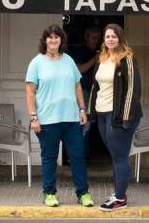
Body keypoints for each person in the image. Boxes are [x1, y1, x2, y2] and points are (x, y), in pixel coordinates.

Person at [25, 24, 94, 208]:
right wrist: (33, 117)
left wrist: (82, 109)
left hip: (71, 119)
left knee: (77, 157)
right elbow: (30, 92)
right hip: (47, 120)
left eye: (57, 37)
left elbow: (77, 85)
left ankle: (83, 193)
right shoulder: (36, 62)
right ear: (45, 40)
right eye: (50, 37)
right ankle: (49, 193)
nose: (53, 40)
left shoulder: (69, 61)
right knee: (49, 158)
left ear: (61, 40)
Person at [89, 23, 142, 211]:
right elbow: (95, 87)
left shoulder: (127, 58)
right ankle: (119, 192)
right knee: (114, 154)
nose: (110, 39)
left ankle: (120, 198)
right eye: (107, 36)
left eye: (114, 36)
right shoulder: (101, 58)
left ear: (120, 38)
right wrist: (91, 112)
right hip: (102, 113)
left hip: (119, 115)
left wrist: (125, 117)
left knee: (120, 156)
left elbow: (133, 90)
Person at [67, 26, 102, 155]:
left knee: (88, 124)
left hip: (93, 93)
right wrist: (94, 60)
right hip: (82, 93)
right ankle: (76, 155)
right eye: (93, 38)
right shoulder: (81, 52)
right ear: (86, 38)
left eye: (97, 38)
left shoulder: (95, 52)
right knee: (82, 125)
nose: (95, 41)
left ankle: (83, 154)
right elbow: (79, 70)